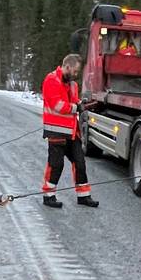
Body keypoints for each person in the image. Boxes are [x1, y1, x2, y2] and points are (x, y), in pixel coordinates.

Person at [41, 54, 99, 209]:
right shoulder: (51, 80)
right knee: (56, 164)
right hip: (56, 132)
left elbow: (73, 102)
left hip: (72, 133)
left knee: (80, 163)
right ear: (67, 66)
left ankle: (83, 196)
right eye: (75, 71)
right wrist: (76, 107)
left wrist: (83, 104)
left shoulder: (73, 85)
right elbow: (58, 105)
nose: (76, 74)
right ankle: (48, 195)